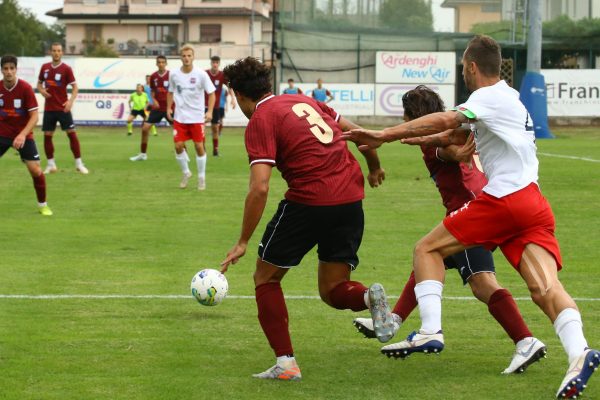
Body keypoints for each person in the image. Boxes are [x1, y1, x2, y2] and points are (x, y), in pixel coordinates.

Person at [343, 35, 599, 399]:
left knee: (427, 250)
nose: (464, 72)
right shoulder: (510, 98)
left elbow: (450, 119)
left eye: (464, 66)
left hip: (503, 201)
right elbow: (454, 131)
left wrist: (384, 133)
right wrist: (416, 139)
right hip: (533, 204)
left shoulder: (486, 97)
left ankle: (431, 330)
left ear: (472, 67)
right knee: (545, 289)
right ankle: (580, 352)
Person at [352, 85, 545, 374]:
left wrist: (451, 153)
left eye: (406, 116)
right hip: (479, 206)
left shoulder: (435, 143)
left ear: (413, 116)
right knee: (429, 260)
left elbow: (449, 151)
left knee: (480, 283)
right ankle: (393, 320)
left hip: (473, 213)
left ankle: (524, 340)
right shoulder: (454, 127)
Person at [220, 57, 390, 381]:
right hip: (351, 199)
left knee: (265, 278)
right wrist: (373, 166)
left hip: (310, 200)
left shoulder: (261, 118)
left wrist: (243, 240)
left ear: (239, 95)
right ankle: (369, 297)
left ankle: (286, 365)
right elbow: (358, 133)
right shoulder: (304, 100)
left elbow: (259, 187)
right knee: (333, 289)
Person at [1, 55, 52, 216]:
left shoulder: (25, 88)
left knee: (35, 170)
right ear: (2, 70)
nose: (8, 72)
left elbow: (35, 116)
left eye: (11, 68)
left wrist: (22, 135)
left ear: (16, 70)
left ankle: (43, 205)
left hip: (23, 134)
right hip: (2, 133)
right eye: (5, 68)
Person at [167, 44, 215, 190]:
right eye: (184, 56)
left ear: (193, 57)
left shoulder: (201, 74)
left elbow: (211, 93)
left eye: (189, 56)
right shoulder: (174, 74)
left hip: (197, 117)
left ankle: (201, 177)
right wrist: (169, 107)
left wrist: (210, 111)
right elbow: (170, 92)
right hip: (180, 117)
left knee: (199, 146)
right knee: (178, 146)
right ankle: (186, 172)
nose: (186, 58)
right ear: (180, 57)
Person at [37, 42, 88, 175]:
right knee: (47, 136)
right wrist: (42, 91)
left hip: (63, 108)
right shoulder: (45, 67)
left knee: (71, 134)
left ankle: (79, 163)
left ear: (62, 53)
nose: (56, 53)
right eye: (54, 50)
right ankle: (51, 164)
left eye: (59, 51)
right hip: (49, 109)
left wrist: (70, 102)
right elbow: (39, 84)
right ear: (50, 52)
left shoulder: (66, 69)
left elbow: (75, 88)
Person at [130, 57, 169, 161]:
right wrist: (154, 100)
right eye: (159, 62)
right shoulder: (153, 76)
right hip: (157, 108)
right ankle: (143, 154)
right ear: (156, 64)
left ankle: (184, 154)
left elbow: (175, 91)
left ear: (166, 63)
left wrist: (172, 106)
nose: (161, 64)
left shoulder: (171, 75)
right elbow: (152, 91)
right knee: (145, 128)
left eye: (163, 62)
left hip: (169, 107)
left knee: (179, 130)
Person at [205, 55, 236, 156]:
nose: (215, 64)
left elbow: (229, 87)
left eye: (216, 63)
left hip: (216, 106)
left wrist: (233, 99)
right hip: (203, 105)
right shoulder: (205, 74)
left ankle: (215, 150)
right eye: (213, 62)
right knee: (201, 128)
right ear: (211, 63)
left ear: (219, 64)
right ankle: (202, 149)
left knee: (215, 128)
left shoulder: (222, 75)